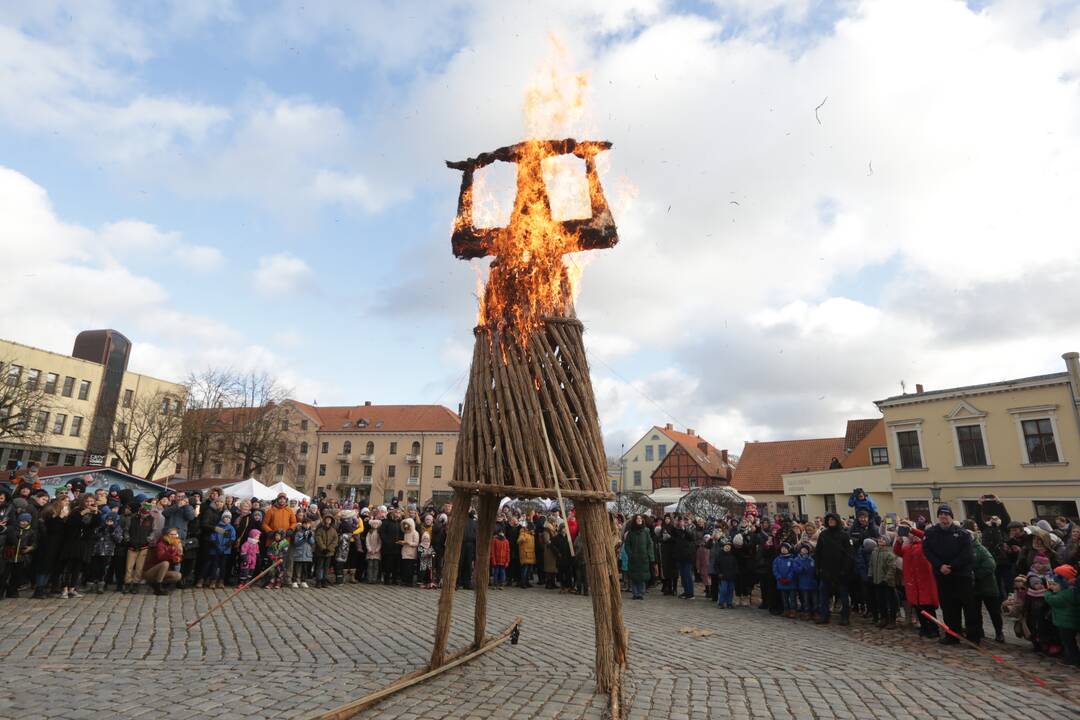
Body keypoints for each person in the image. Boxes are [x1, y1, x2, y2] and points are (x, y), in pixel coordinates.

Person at [922, 505, 978, 645]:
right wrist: (939, 566)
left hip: (961, 575)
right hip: (942, 575)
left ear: (951, 516)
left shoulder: (962, 533)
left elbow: (967, 555)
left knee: (969, 607)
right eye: (941, 514)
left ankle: (973, 636)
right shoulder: (931, 533)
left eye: (946, 514)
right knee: (948, 607)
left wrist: (952, 566)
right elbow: (927, 551)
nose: (943, 517)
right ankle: (952, 634)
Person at [814, 513, 853, 625]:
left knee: (843, 596)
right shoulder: (823, 535)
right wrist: (817, 567)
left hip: (840, 571)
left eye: (833, 519)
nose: (831, 521)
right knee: (824, 595)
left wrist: (845, 569)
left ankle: (845, 617)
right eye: (829, 520)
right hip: (826, 570)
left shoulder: (844, 535)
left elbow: (849, 555)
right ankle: (824, 615)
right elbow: (818, 552)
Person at [60, 493, 101, 599]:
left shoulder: (94, 513)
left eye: (91, 501)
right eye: (87, 501)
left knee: (77, 567)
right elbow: (71, 523)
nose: (89, 503)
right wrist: (83, 512)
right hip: (72, 541)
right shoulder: (76, 511)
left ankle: (72, 589)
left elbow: (96, 525)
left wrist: (95, 513)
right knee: (68, 566)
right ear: (83, 502)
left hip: (84, 543)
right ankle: (64, 589)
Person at [972, 531, 1005, 642]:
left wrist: (976, 575)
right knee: (975, 611)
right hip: (974, 587)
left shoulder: (980, 550)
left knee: (994, 612)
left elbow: (990, 565)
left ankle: (999, 632)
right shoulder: (963, 549)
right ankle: (979, 630)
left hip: (988, 586)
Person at [1045, 565, 1078, 666]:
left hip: (1066, 623)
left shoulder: (1066, 594)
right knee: (1069, 641)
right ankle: (1070, 657)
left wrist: (1048, 592)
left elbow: (1052, 600)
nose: (1052, 587)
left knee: (1068, 642)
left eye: (1054, 585)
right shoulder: (1071, 592)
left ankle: (1073, 659)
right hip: (1068, 622)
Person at [88, 512, 122, 594]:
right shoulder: (101, 526)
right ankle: (92, 585)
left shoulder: (117, 528)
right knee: (94, 568)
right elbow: (94, 535)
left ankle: (101, 585)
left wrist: (112, 531)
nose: (109, 521)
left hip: (107, 552)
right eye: (108, 520)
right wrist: (100, 531)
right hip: (97, 551)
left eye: (111, 520)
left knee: (103, 569)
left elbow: (119, 539)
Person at [142, 526, 182, 595]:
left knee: (178, 575)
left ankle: (158, 584)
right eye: (171, 534)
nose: (173, 536)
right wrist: (172, 553)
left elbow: (175, 561)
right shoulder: (161, 543)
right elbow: (161, 557)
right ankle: (158, 587)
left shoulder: (175, 544)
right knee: (165, 563)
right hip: (151, 571)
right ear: (167, 535)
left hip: (163, 571)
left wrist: (178, 558)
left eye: (175, 534)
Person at [869, 534, 898, 628]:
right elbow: (871, 565)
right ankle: (883, 618)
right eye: (880, 539)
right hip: (877, 581)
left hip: (887, 582)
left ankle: (892, 620)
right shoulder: (874, 552)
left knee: (890, 601)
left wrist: (886, 579)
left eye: (883, 539)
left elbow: (892, 568)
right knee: (880, 601)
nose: (881, 540)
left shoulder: (889, 553)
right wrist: (870, 575)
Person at [3, 512, 35, 598]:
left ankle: (12, 591)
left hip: (21, 558)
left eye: (26, 521)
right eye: (22, 521)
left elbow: (34, 543)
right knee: (6, 575)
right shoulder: (13, 530)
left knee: (17, 577)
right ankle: (5, 590)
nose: (24, 523)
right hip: (10, 556)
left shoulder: (30, 532)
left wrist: (31, 548)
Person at [623, 514, 654, 601]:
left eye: (640, 518)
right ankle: (635, 593)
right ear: (635, 520)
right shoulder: (631, 532)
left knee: (642, 576)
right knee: (634, 576)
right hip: (634, 558)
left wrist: (650, 556)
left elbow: (649, 544)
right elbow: (627, 545)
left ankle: (641, 593)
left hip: (643, 557)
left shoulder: (646, 531)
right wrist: (630, 554)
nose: (639, 520)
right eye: (637, 518)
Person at [772, 542, 798, 617]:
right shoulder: (777, 559)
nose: (783, 550)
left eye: (785, 548)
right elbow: (775, 569)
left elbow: (793, 570)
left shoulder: (792, 559)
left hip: (791, 582)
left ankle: (793, 610)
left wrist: (789, 578)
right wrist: (779, 577)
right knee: (784, 598)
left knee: (792, 597)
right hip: (781, 582)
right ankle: (786, 610)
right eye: (782, 548)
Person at [314, 514, 338, 589]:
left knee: (326, 567)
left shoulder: (333, 530)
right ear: (324, 520)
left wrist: (329, 548)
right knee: (319, 567)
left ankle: (324, 580)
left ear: (331, 521)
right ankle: (319, 580)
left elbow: (335, 540)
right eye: (327, 519)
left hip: (329, 552)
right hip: (320, 551)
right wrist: (323, 548)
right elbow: (318, 538)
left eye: (329, 520)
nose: (328, 521)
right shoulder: (320, 529)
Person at [290, 517, 314, 588]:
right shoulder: (298, 533)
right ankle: (294, 581)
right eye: (305, 524)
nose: (307, 525)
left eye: (308, 524)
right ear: (302, 524)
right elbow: (296, 543)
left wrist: (309, 537)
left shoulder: (311, 532)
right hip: (299, 553)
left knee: (305, 568)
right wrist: (303, 538)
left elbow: (312, 542)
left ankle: (303, 581)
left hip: (307, 554)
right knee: (296, 567)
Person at [795, 542, 817, 620]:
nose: (804, 550)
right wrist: (803, 568)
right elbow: (796, 569)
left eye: (806, 549)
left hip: (812, 582)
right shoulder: (797, 559)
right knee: (805, 599)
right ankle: (806, 612)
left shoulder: (811, 559)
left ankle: (814, 613)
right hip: (802, 583)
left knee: (814, 599)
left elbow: (813, 569)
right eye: (803, 549)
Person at [399, 518, 419, 587]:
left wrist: (408, 543)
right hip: (405, 552)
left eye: (407, 524)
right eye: (405, 525)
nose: (406, 526)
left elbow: (416, 543)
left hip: (411, 553)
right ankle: (404, 580)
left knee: (410, 568)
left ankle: (409, 581)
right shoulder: (405, 533)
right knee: (404, 567)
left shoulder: (415, 533)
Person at [517, 519, 535, 588]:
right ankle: (523, 582)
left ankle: (527, 582)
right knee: (525, 569)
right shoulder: (523, 533)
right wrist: (522, 538)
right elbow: (519, 540)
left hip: (531, 554)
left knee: (529, 570)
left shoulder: (531, 534)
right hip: (525, 554)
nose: (533, 530)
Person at [365, 516, 382, 584]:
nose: (375, 525)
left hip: (376, 552)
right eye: (374, 524)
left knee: (376, 566)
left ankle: (374, 579)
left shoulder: (379, 533)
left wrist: (377, 549)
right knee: (370, 566)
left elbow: (380, 542)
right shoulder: (369, 532)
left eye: (376, 524)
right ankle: (369, 578)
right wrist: (369, 549)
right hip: (370, 551)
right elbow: (367, 541)